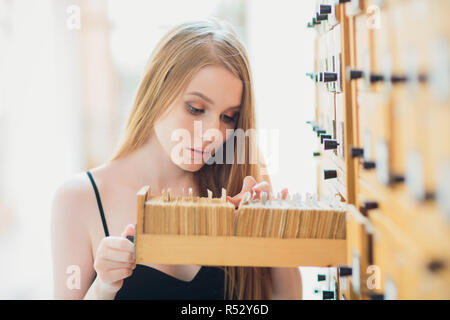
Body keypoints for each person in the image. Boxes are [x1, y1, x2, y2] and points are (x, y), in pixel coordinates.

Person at [51, 18, 302, 300]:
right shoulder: (79, 198)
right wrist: (102, 289)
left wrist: (276, 230)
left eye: (228, 117)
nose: (213, 134)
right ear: (156, 92)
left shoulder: (240, 181)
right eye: (195, 109)